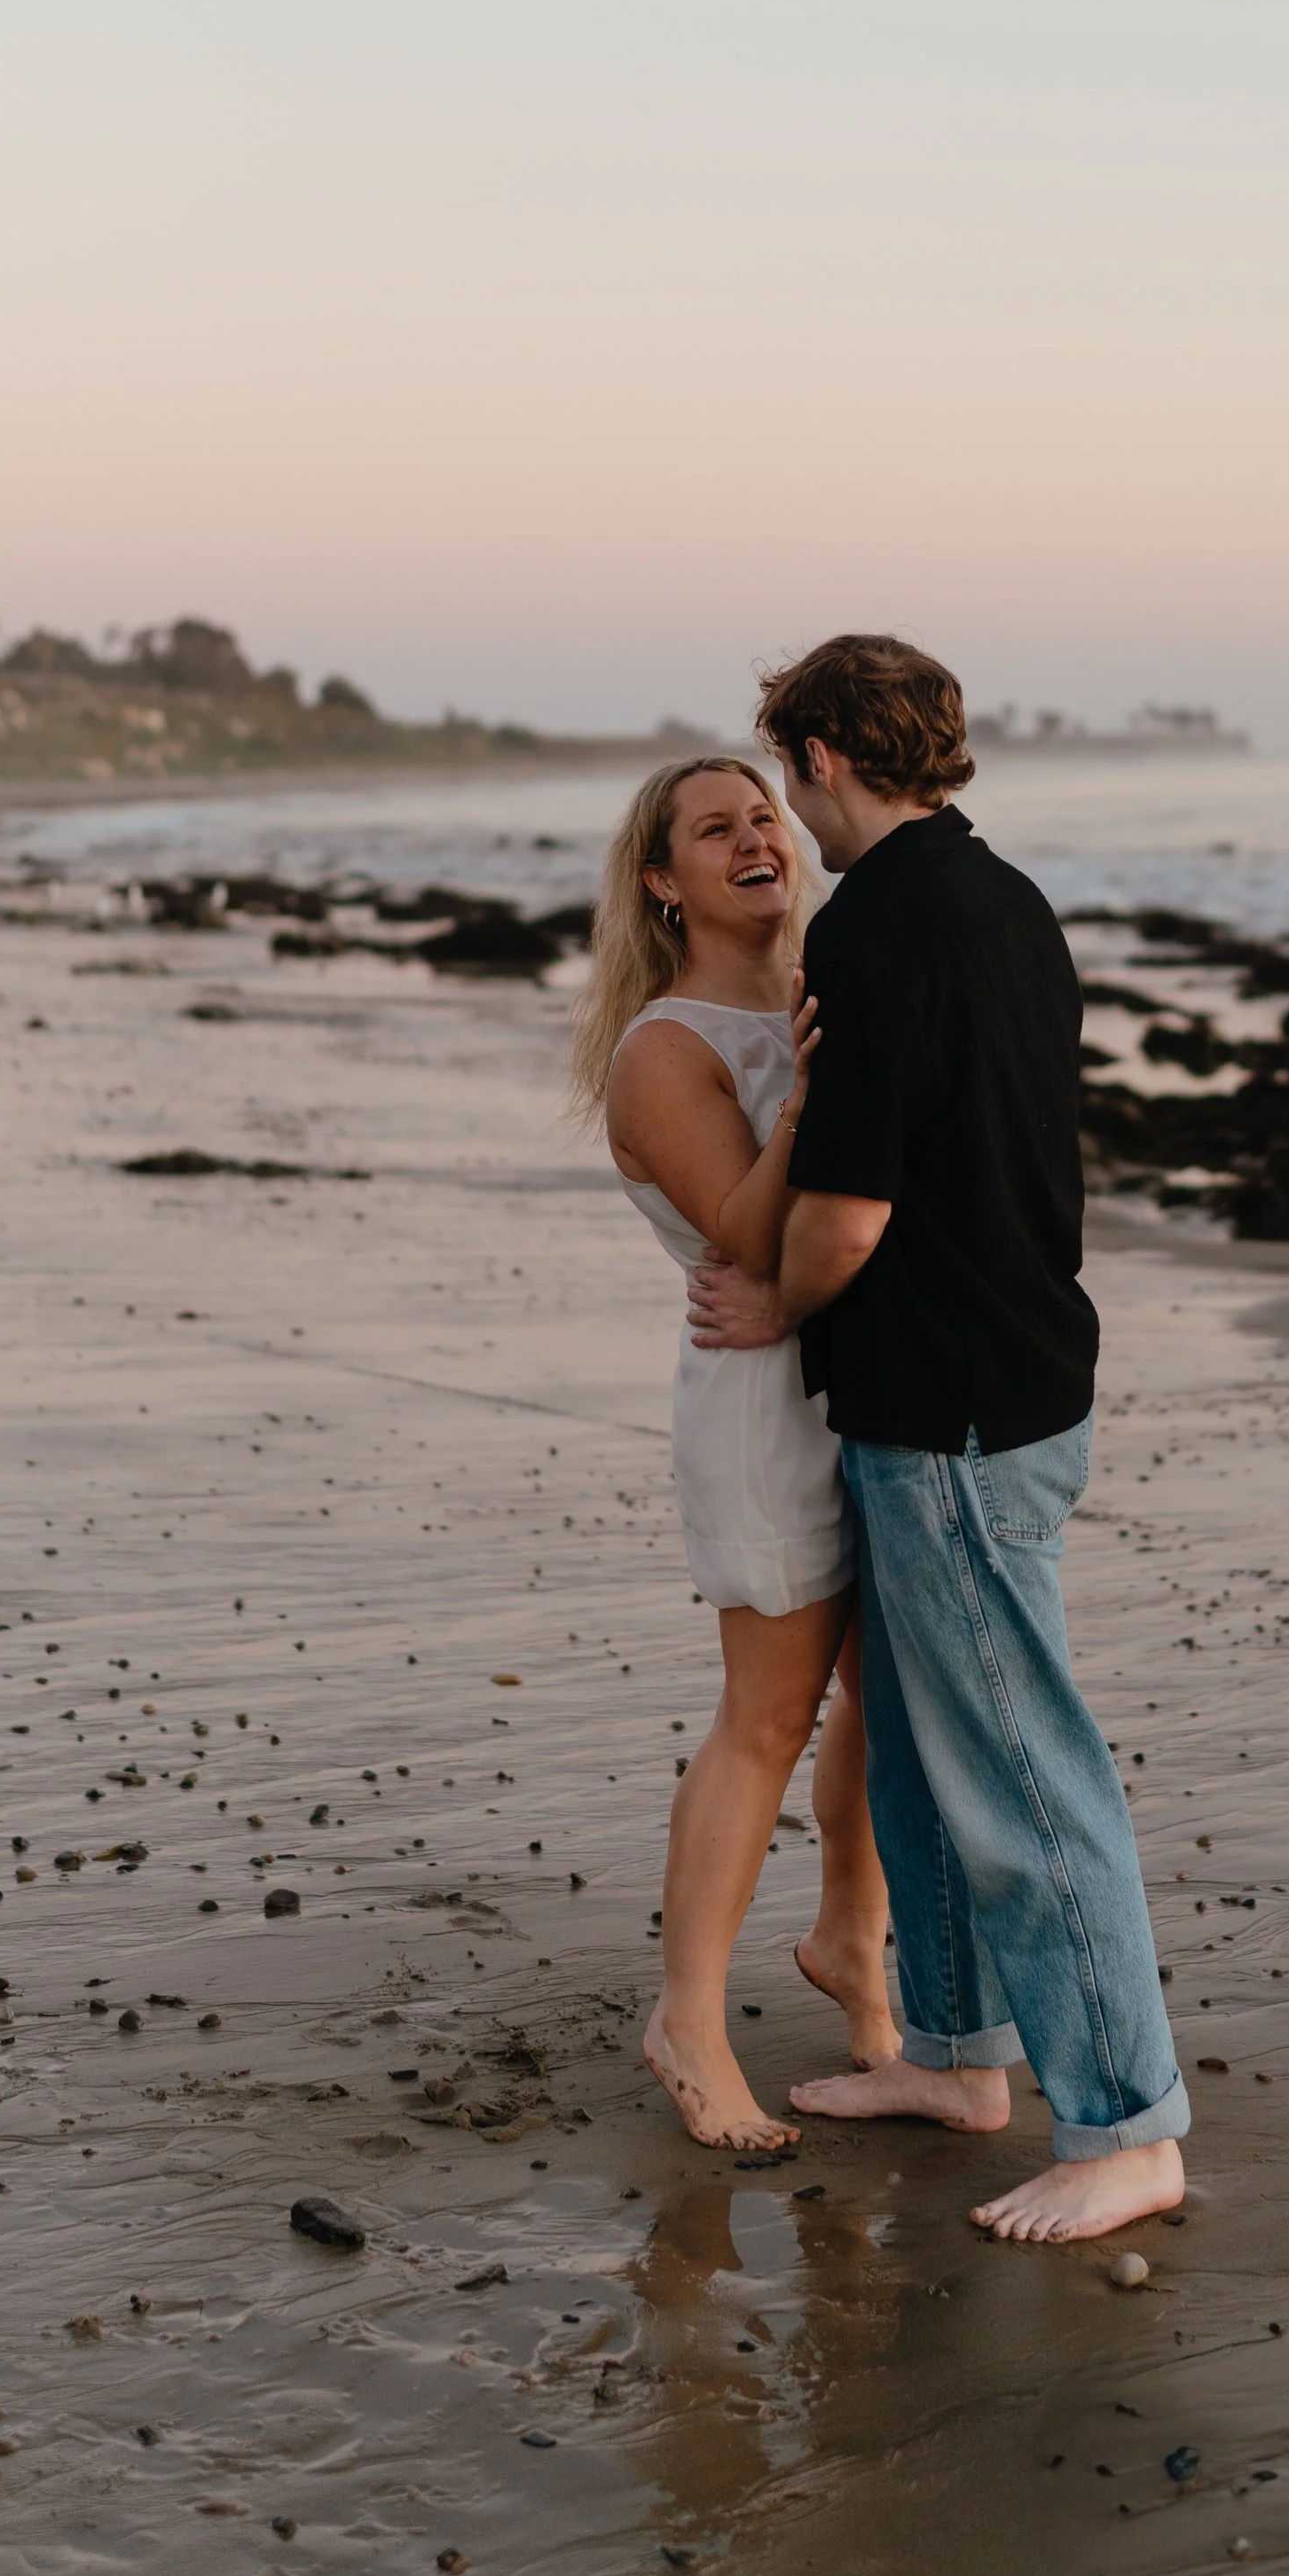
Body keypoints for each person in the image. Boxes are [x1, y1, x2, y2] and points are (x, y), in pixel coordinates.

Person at [688, 637, 1188, 2242]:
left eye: (791, 768)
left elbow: (845, 1209)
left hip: (957, 1401)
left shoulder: (882, 923)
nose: (792, 808)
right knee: (908, 1734)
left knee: (1021, 1761)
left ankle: (1126, 2121)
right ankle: (961, 2054)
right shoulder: (1009, 896)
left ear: (829, 752)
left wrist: (777, 1302)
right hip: (1005, 1372)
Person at [568, 755, 899, 2153]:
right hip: (762, 1413)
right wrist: (830, 1084)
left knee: (887, 1700)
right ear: (664, 878)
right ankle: (689, 2021)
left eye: (766, 814)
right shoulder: (665, 1048)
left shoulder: (826, 980)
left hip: (868, 1381)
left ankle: (849, 1939)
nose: (758, 836)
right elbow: (752, 1237)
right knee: (768, 1718)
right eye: (717, 828)